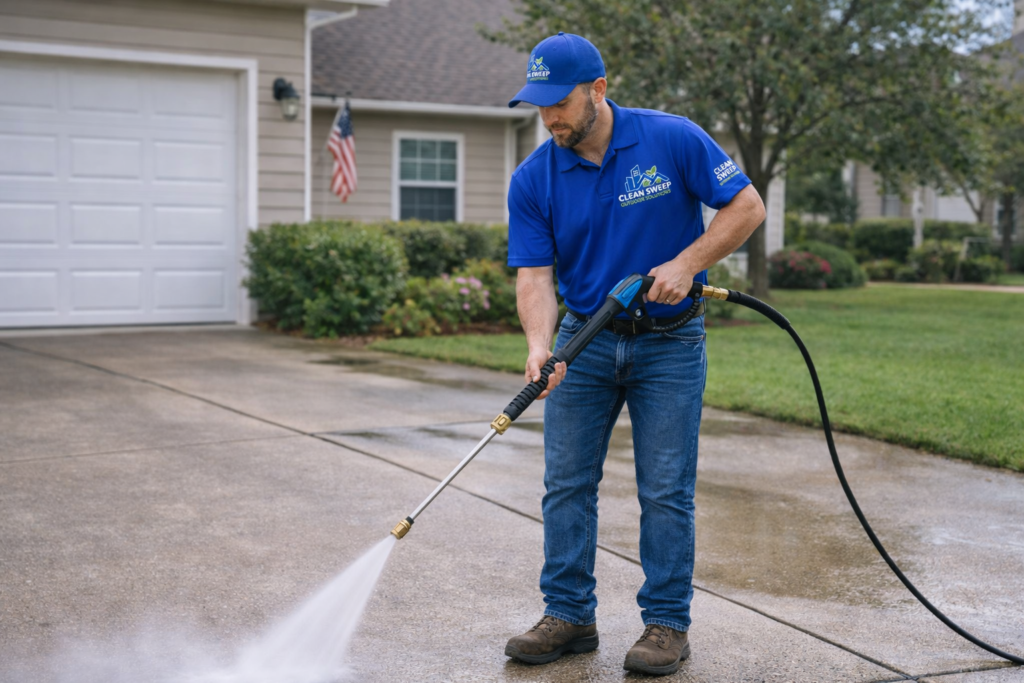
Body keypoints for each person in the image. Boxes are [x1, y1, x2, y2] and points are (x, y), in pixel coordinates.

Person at [503, 32, 766, 676]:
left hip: (670, 343)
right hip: (583, 343)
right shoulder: (535, 176)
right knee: (566, 484)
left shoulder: (670, 138)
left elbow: (746, 205)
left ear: (597, 89)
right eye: (539, 107)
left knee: (665, 490)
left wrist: (688, 261)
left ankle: (666, 626)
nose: (549, 119)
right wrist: (540, 345)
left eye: (558, 104)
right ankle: (569, 615)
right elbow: (534, 275)